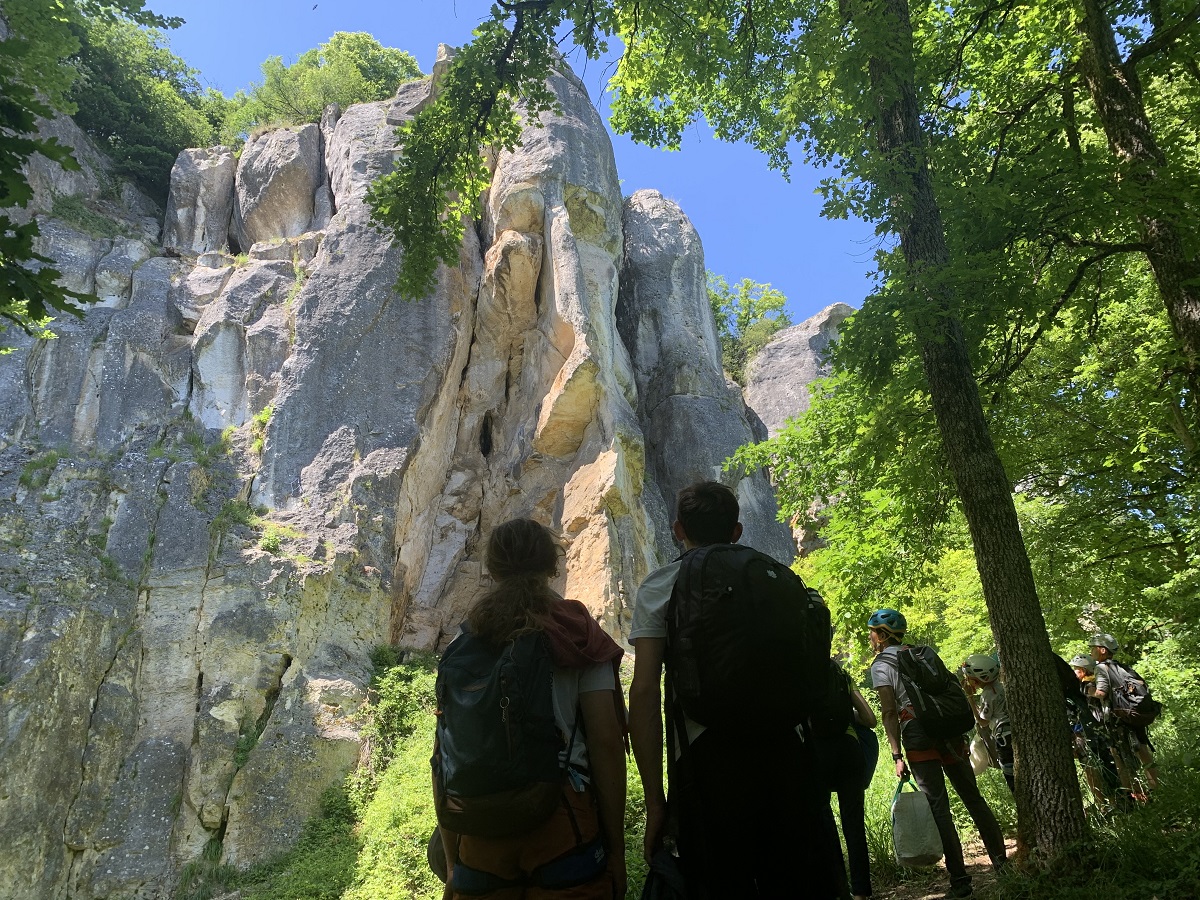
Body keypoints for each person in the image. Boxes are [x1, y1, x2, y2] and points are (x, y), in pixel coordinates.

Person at [627, 481, 845, 899]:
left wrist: (657, 802)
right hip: (789, 753)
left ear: (678, 529)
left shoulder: (661, 585)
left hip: (709, 764)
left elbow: (644, 693)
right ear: (737, 532)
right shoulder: (776, 576)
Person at [437, 518, 628, 900]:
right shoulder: (577, 630)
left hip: (481, 827)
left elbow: (445, 752)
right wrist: (617, 851)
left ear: (492, 570)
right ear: (552, 566)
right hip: (561, 820)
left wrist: (453, 859)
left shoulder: (466, 639)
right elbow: (607, 742)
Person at [869, 610, 1007, 899]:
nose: (870, 636)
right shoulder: (922, 653)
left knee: (938, 806)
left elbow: (889, 711)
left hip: (918, 734)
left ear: (881, 635)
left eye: (872, 631)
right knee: (973, 797)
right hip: (949, 728)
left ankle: (960, 880)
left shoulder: (881, 664)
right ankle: (1002, 864)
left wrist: (896, 754)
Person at [1088, 633, 1159, 792]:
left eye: (1093, 648)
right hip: (1133, 714)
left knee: (1119, 755)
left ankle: (1133, 795)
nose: (1091, 651)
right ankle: (1156, 788)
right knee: (1143, 750)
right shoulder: (1122, 666)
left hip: (1118, 718)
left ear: (1102, 650)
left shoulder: (1100, 668)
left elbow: (1101, 693)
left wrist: (1089, 691)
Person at [961, 654, 1014, 792]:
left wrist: (970, 697)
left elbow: (983, 722)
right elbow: (990, 713)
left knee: (1013, 779)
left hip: (1004, 738)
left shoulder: (987, 694)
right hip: (1013, 730)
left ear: (977, 680)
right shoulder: (1002, 687)